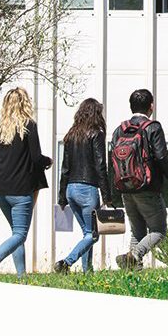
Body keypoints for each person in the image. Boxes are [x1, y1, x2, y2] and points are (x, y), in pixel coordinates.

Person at [0, 87, 51, 278]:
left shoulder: (2, 128)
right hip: (21, 189)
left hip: (1, 189)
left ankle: (22, 277)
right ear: (25, 103)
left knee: (16, 234)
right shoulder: (29, 125)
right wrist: (48, 161)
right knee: (20, 234)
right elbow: (36, 157)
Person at [110, 88, 168, 270]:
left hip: (125, 188)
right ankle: (135, 254)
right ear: (151, 106)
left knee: (137, 232)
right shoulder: (153, 127)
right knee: (159, 230)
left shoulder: (119, 130)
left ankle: (133, 274)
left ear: (131, 106)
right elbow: (161, 156)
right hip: (147, 187)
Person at [54, 98, 111, 273]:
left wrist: (62, 197)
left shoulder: (71, 135)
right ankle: (66, 262)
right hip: (87, 189)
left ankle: (88, 271)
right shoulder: (96, 134)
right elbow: (100, 166)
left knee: (87, 233)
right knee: (92, 235)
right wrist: (107, 195)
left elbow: (65, 168)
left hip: (71, 189)